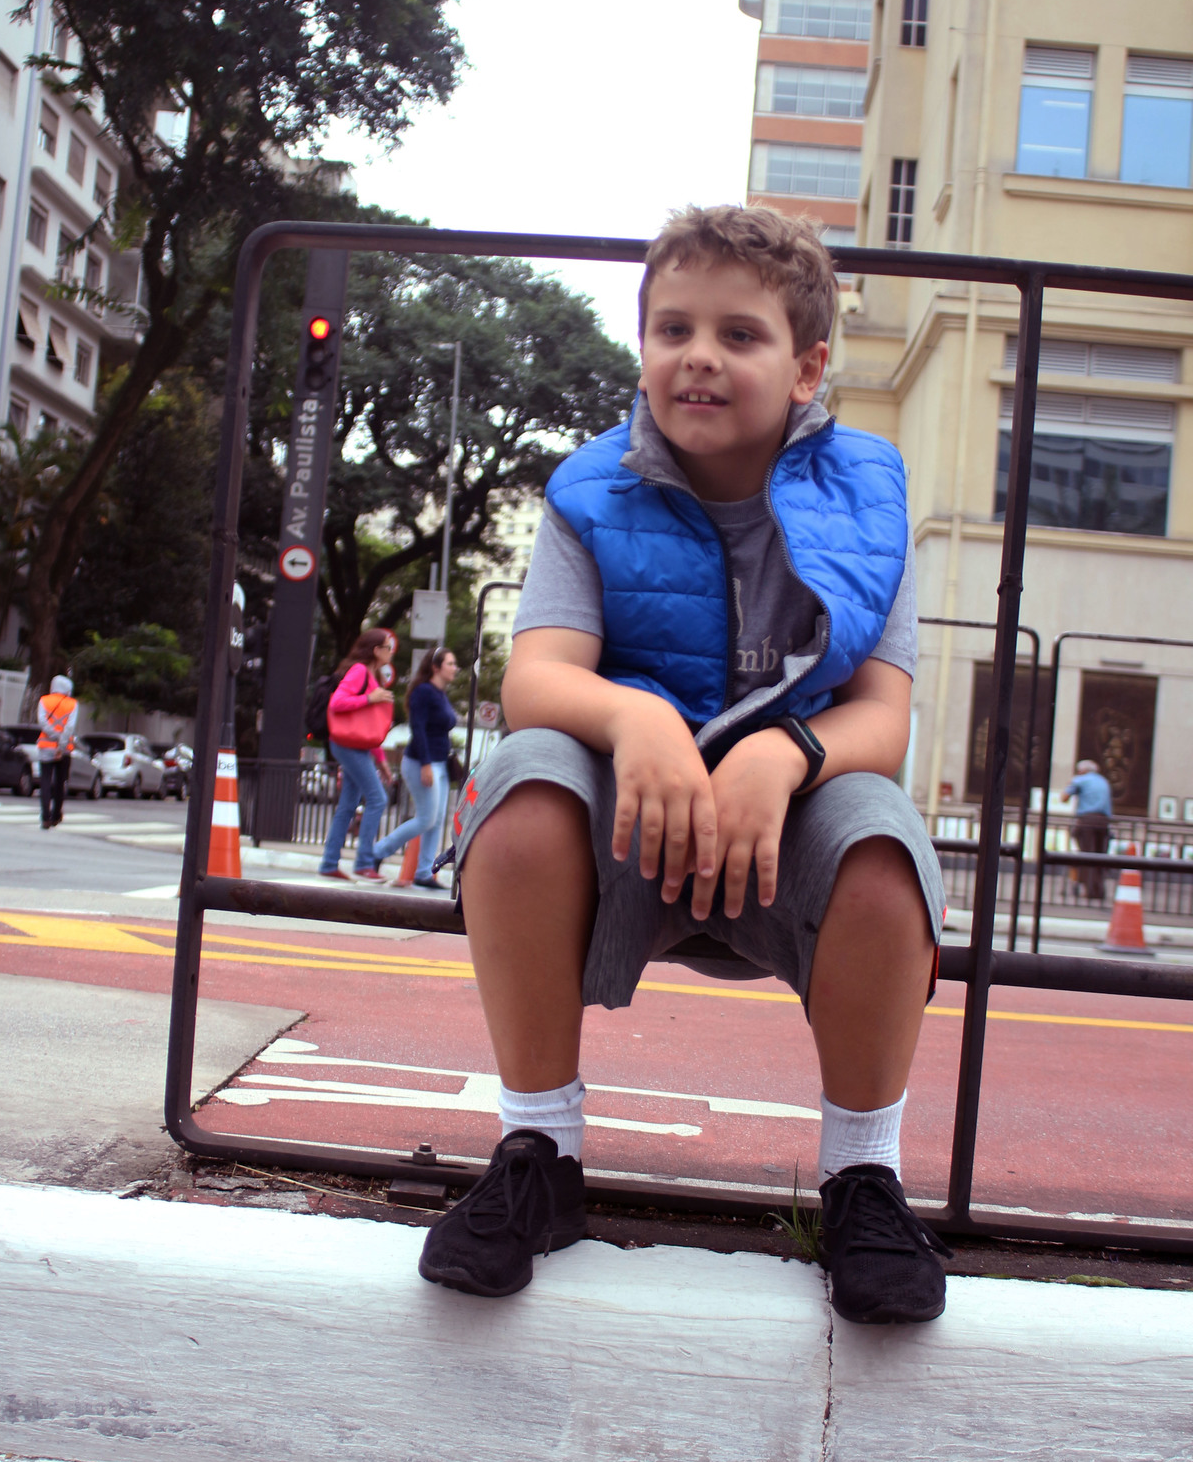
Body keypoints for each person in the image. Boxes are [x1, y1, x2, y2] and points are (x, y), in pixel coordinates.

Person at [418, 204, 951, 1323]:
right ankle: (540, 1154)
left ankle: (863, 1178)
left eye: (738, 334)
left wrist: (787, 752)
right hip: (635, 814)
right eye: (673, 329)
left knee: (883, 841)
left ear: (807, 368)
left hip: (786, 817)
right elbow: (538, 676)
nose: (698, 355)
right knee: (524, 781)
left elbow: (883, 717)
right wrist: (636, 721)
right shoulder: (591, 486)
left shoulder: (870, 498)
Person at [373, 646, 459, 889]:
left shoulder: (440, 694)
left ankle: (424, 873)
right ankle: (378, 851)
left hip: (440, 764)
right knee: (426, 819)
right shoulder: (423, 692)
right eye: (450, 663)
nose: (455, 668)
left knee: (437, 820)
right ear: (436, 667)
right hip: (421, 762)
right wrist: (425, 764)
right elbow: (418, 729)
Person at [318, 629, 396, 881]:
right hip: (346, 744)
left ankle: (329, 863)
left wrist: (381, 762)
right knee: (377, 798)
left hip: (357, 745)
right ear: (376, 650)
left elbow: (368, 726)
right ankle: (363, 863)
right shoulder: (359, 671)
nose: (391, 652)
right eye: (388, 647)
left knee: (348, 805)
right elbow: (337, 703)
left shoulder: (374, 676)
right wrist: (369, 698)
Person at [1063, 757, 1113, 902]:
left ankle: (1090, 890)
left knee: (1086, 855)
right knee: (1100, 856)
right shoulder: (1103, 781)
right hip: (1103, 822)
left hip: (1087, 821)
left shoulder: (1080, 780)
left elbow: (1064, 798)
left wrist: (1070, 784)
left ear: (1083, 770)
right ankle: (1099, 890)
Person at [37, 673, 79, 829]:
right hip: (64, 749)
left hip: (46, 747)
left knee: (45, 782)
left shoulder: (44, 700)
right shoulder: (72, 704)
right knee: (60, 782)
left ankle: (45, 818)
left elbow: (42, 722)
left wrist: (53, 735)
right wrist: (61, 744)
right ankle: (56, 815)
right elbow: (70, 727)